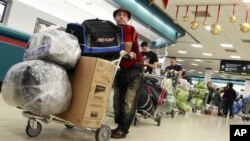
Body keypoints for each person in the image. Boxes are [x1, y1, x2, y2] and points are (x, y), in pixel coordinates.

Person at [111, 8, 143, 138]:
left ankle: (123, 130)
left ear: (128, 19)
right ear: (115, 18)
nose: (121, 17)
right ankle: (119, 125)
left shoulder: (129, 29)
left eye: (124, 15)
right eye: (118, 15)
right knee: (117, 100)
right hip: (120, 69)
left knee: (129, 102)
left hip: (134, 69)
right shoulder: (112, 30)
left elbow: (126, 49)